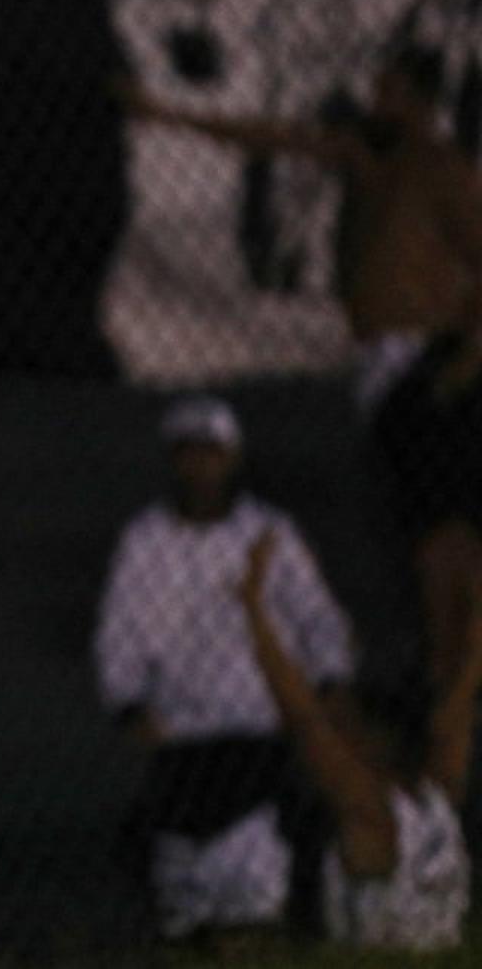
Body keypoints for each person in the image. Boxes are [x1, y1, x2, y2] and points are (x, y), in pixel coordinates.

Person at [133, 47, 482, 687]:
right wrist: (171, 115)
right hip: (388, 365)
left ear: (419, 99)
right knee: (418, 521)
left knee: (442, 530)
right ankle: (444, 664)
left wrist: (464, 357)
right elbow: (279, 138)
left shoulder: (443, 172)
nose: (375, 100)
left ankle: (450, 671)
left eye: (389, 90)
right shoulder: (367, 158)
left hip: (426, 363)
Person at [95, 396, 355, 945]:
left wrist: (329, 679)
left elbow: (318, 615)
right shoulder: (145, 539)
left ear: (232, 457)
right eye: (188, 454)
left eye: (211, 454)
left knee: (273, 845)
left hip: (264, 723)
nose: (200, 467)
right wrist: (128, 705)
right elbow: (118, 633)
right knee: (178, 855)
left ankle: (277, 927)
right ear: (173, 461)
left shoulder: (269, 531)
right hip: (182, 730)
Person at [237, 533, 478, 951]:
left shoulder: (370, 808)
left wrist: (253, 608)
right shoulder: (439, 788)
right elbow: (460, 696)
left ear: (380, 739)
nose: (344, 737)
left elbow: (303, 719)